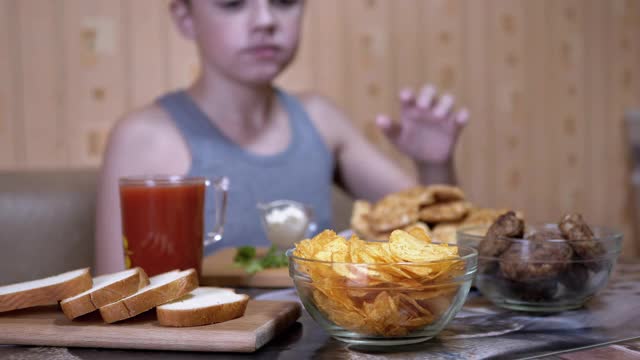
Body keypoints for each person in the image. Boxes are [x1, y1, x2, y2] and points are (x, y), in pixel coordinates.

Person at [95, 0, 469, 274]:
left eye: (285, 2)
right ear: (185, 18)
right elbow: (118, 296)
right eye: (233, 4)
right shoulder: (143, 139)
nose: (265, 20)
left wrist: (433, 162)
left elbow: (436, 232)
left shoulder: (321, 119)